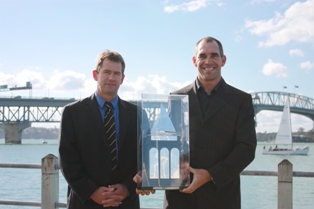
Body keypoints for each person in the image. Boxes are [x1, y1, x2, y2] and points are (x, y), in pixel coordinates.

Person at [136, 36, 257, 209]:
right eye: (202, 56)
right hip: (179, 201)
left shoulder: (241, 100)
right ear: (194, 61)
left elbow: (246, 148)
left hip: (222, 200)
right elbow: (163, 143)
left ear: (223, 60)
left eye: (214, 55)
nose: (208, 61)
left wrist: (210, 175)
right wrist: (149, 174)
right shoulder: (176, 98)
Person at [59, 50, 139, 209]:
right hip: (85, 202)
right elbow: (68, 160)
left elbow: (143, 160)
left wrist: (127, 188)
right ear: (95, 75)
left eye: (117, 73)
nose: (111, 78)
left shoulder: (137, 114)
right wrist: (92, 191)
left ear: (122, 79)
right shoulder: (72, 113)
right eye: (107, 72)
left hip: (125, 202)